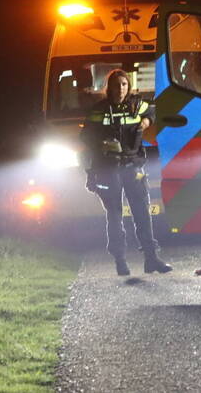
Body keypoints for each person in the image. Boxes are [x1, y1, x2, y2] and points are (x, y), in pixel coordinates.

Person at [81, 69, 172, 276]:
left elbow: (155, 110)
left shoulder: (137, 105)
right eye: (116, 85)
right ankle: (120, 260)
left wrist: (147, 121)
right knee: (114, 215)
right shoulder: (99, 110)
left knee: (142, 212)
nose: (120, 89)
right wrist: (101, 144)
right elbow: (85, 137)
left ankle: (151, 258)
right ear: (109, 87)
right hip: (108, 167)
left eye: (124, 85)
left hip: (133, 167)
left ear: (128, 87)